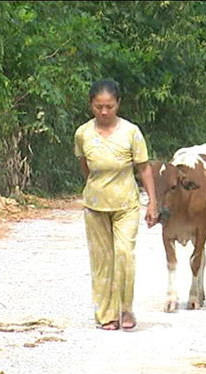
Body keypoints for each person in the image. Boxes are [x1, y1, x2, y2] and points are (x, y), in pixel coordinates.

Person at [74, 78, 158, 331]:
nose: (103, 111)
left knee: (124, 255)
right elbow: (85, 166)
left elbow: (143, 168)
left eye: (109, 106)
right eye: (98, 106)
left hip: (126, 204)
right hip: (96, 205)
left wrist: (152, 203)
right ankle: (106, 314)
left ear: (118, 104)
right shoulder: (83, 134)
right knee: (101, 260)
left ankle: (126, 308)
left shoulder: (131, 132)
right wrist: (96, 188)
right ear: (91, 105)